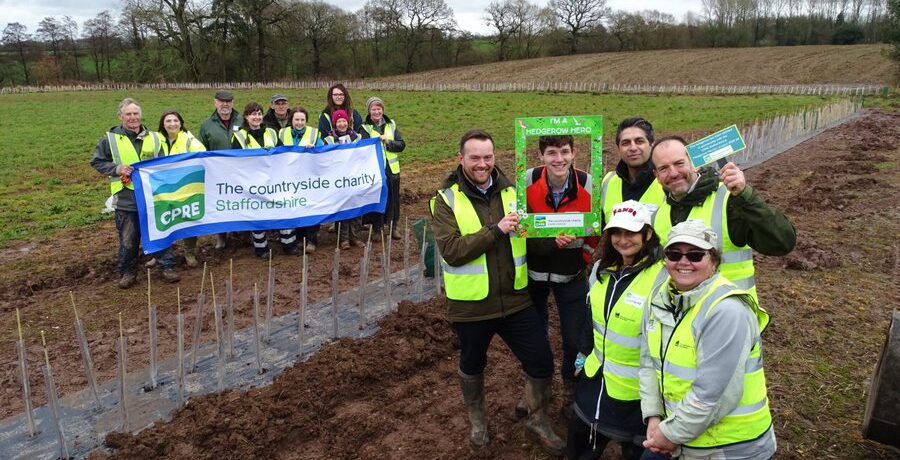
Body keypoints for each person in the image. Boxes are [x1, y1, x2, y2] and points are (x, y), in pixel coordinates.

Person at [430, 129, 564, 455]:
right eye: (475, 157)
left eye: (488, 157)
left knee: (541, 360)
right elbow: (452, 250)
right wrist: (497, 229)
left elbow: (528, 236)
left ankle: (536, 419)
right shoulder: (445, 200)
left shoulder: (512, 192)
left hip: (516, 301)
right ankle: (478, 422)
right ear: (460, 159)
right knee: (473, 364)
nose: (482, 164)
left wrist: (554, 239)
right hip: (472, 306)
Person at [639, 220, 776, 459]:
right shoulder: (661, 299)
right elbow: (649, 361)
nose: (683, 262)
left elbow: (712, 395)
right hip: (679, 433)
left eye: (695, 255)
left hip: (729, 447)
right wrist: (653, 415)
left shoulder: (726, 311)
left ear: (714, 262)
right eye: (673, 254)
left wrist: (669, 434)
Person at [567, 200, 666, 460]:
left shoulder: (662, 277)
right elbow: (590, 318)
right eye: (616, 233)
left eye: (631, 233)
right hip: (595, 383)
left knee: (634, 452)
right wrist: (583, 352)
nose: (623, 240)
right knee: (579, 448)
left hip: (635, 395)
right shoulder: (600, 270)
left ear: (647, 234)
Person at [650, 136, 796, 304]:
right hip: (682, 319)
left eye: (679, 164)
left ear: (693, 163)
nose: (673, 173)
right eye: (664, 168)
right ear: (656, 175)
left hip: (730, 315)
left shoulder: (729, 201)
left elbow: (782, 242)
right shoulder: (659, 214)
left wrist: (745, 196)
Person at [523, 135, 593, 419]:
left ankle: (570, 388)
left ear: (574, 153)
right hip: (534, 275)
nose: (558, 159)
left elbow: (596, 228)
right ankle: (537, 388)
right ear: (541, 156)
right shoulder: (526, 182)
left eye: (564, 152)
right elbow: (521, 225)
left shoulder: (588, 183)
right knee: (534, 335)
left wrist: (583, 256)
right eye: (551, 152)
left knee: (575, 337)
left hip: (572, 274)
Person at [90, 98, 179, 288]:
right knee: (128, 240)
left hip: (153, 196)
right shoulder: (110, 139)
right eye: (128, 114)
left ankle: (167, 267)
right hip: (126, 197)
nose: (133, 117)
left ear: (141, 115)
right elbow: (97, 162)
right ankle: (127, 272)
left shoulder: (154, 138)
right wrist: (117, 168)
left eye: (135, 113)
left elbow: (163, 163)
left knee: (161, 232)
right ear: (121, 116)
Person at [232, 102, 298, 258]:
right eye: (253, 114)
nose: (257, 117)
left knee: (283, 210)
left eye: (259, 114)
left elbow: (282, 154)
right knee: (258, 214)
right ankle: (261, 249)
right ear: (246, 117)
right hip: (253, 182)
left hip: (274, 180)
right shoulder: (239, 137)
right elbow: (235, 162)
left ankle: (289, 244)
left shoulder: (272, 132)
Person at [159, 110, 207, 268]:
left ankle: (190, 252)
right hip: (162, 188)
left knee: (188, 220)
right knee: (163, 221)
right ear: (163, 124)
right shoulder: (156, 140)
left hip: (185, 187)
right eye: (168, 121)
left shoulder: (189, 140)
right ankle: (160, 253)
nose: (172, 124)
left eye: (175, 121)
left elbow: (203, 156)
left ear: (181, 123)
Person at [599, 118, 665, 225]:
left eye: (639, 141)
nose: (633, 148)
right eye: (626, 143)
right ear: (618, 148)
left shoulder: (668, 180)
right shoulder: (608, 181)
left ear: (652, 144)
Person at [198, 90, 242, 250]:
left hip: (241, 170)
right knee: (221, 204)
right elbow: (202, 149)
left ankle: (242, 233)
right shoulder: (207, 125)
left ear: (233, 103)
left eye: (228, 101)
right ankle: (221, 236)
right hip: (218, 173)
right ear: (215, 103)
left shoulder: (242, 120)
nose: (225, 104)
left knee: (242, 201)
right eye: (221, 101)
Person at [278, 106, 323, 254]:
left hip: (308, 178)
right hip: (289, 178)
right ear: (291, 120)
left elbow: (323, 153)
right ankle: (297, 238)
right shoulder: (283, 133)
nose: (299, 123)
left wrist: (314, 150)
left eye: (302, 120)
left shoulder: (314, 134)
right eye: (296, 119)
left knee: (310, 207)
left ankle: (311, 240)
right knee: (295, 207)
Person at [360, 96, 405, 240]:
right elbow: (362, 147)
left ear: (382, 110)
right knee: (377, 199)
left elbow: (401, 144)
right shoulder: (364, 127)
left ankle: (393, 227)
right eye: (373, 109)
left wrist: (388, 142)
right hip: (375, 169)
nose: (376, 112)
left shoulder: (391, 125)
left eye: (379, 109)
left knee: (393, 199)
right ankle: (377, 229)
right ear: (369, 111)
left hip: (392, 169)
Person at [325, 109, 365, 249]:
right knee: (343, 209)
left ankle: (356, 237)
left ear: (348, 122)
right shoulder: (329, 140)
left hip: (354, 177)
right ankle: (344, 239)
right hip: (339, 180)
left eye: (344, 121)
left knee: (356, 207)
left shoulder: (357, 137)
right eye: (339, 121)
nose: (342, 124)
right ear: (335, 123)